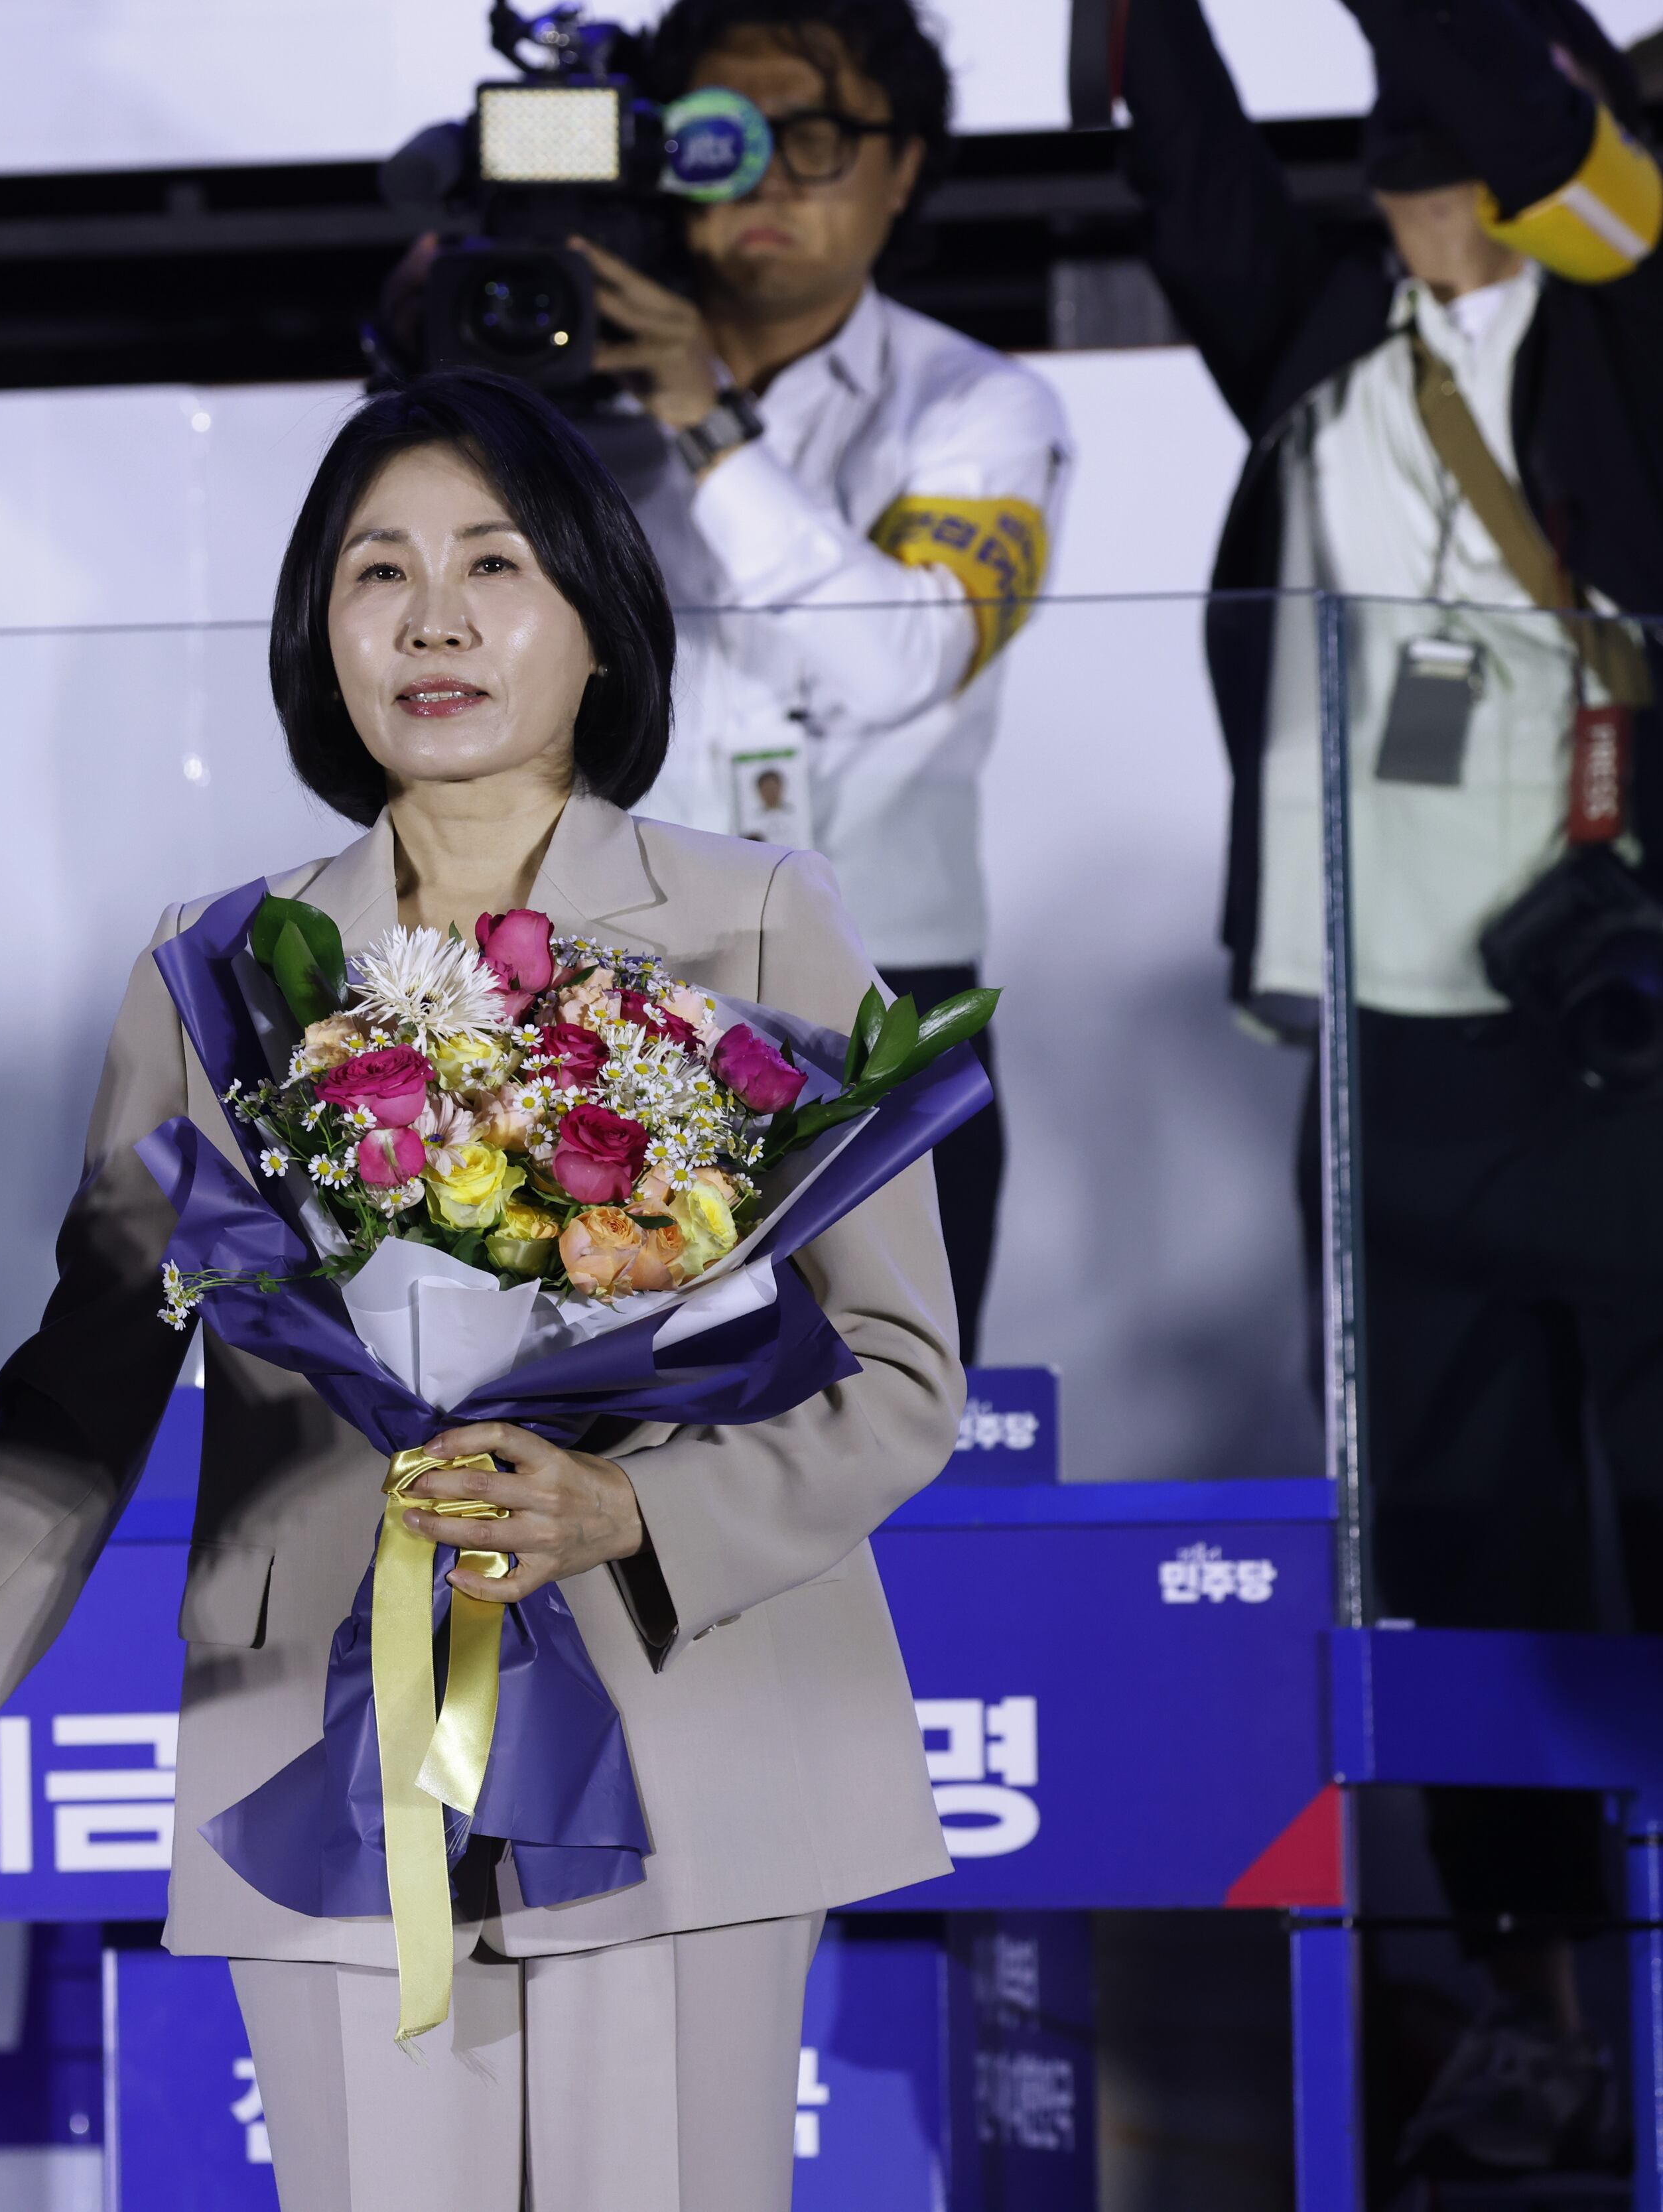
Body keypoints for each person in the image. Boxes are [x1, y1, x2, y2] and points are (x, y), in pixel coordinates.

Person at [0, 369, 961, 2210]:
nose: (432, 620)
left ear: (599, 621)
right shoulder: (213, 969)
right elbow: (86, 1396)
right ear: (318, 633)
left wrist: (631, 1512)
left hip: (692, 1725)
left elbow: (899, 1372)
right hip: (317, 1736)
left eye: (494, 564)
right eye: (378, 573)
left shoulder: (758, 920)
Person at [1116, 0, 1663, 2179]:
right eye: (1396, 160)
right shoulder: (1331, 341)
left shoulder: (1632, 320)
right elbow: (1194, 182)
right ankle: (1540, 2011)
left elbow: (1525, 110)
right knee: (1455, 1539)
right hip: (1387, 1048)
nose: (1422, 194)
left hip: (1624, 1034)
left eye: (1463, 152)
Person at [588, 0, 1071, 1362]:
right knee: (599, 1430)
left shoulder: (977, 406)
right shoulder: (567, 399)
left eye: (812, 139)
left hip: (880, 993)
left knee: (885, 1420)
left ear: (903, 163)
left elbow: (901, 663)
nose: (761, 183)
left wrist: (706, 424)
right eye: (719, 138)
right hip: (609, 995)